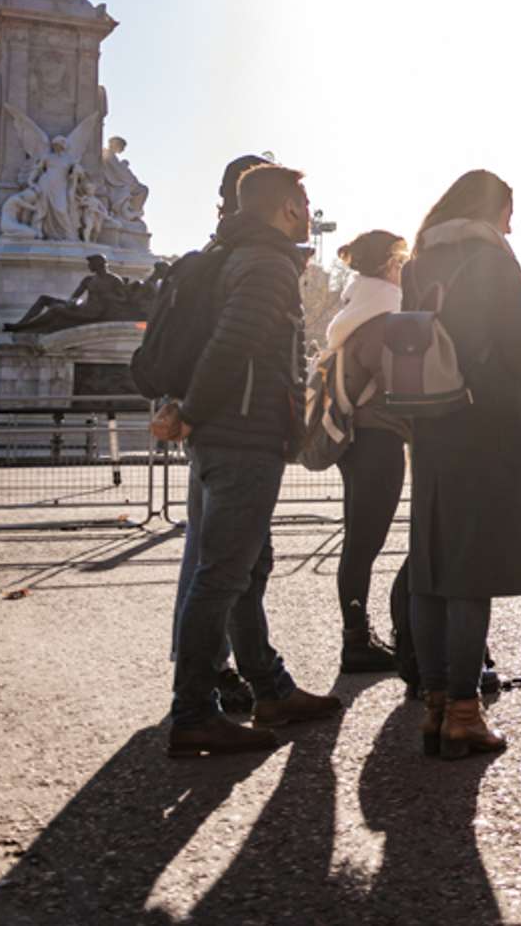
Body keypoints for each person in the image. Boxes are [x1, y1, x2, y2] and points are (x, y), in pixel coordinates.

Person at [157, 163, 340, 757]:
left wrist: (191, 412)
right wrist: (192, 409)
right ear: (287, 209)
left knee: (247, 571)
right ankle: (193, 714)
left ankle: (270, 688)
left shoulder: (235, 256)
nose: (310, 213)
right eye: (306, 203)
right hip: (242, 437)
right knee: (223, 577)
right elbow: (231, 347)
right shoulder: (266, 266)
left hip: (229, 434)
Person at [401, 170, 521, 760]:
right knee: (471, 573)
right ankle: (466, 713)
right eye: (508, 210)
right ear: (491, 208)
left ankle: (435, 705)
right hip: (487, 425)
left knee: (431, 564)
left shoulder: (419, 262)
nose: (511, 224)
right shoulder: (492, 262)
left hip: (431, 423)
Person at [322, 230, 413, 676]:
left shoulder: (356, 310)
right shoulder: (385, 317)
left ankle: (355, 635)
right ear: (389, 266)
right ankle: (356, 641)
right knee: (365, 543)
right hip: (379, 436)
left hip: (356, 439)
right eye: (401, 262)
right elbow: (399, 383)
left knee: (358, 541)